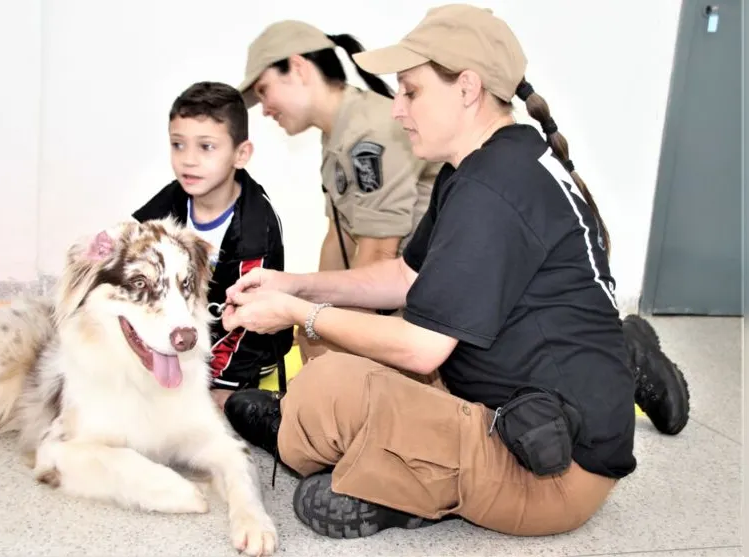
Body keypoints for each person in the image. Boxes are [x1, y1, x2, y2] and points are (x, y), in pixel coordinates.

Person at [219, 4, 690, 540]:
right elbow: (404, 276)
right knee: (346, 364)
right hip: (523, 403)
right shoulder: (485, 164)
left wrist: (299, 314)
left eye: (411, 91)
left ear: (467, 88)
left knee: (330, 383)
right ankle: (362, 461)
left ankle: (372, 471)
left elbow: (422, 347)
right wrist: (294, 284)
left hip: (552, 470)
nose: (397, 110)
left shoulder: (493, 187)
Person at [236, 20, 444, 361]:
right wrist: (309, 309)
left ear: (299, 68)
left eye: (263, 90)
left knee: (320, 342)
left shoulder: (370, 132)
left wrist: (319, 324)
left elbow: (378, 254)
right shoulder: (338, 132)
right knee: (310, 333)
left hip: (427, 311)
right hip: (401, 295)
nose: (265, 108)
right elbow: (339, 238)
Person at [131, 81, 294, 411]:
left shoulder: (255, 231)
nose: (188, 160)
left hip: (245, 348)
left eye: (206, 147)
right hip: (190, 333)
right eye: (178, 145)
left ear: (240, 154)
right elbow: (133, 245)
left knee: (221, 410)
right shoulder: (172, 200)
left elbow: (250, 325)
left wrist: (215, 384)